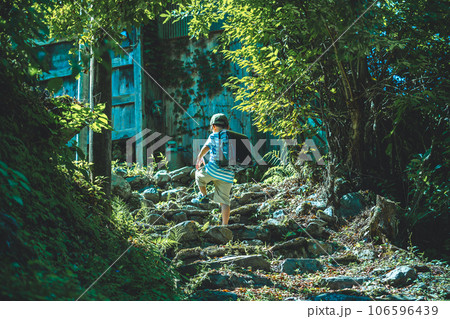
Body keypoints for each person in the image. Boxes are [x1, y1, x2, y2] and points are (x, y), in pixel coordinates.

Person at [192, 113, 234, 225]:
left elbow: (205, 148)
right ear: (228, 127)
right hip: (228, 174)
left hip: (213, 169)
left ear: (214, 127)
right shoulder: (233, 136)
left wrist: (199, 158)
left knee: (199, 175)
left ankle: (204, 196)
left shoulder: (214, 136)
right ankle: (225, 225)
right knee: (225, 201)